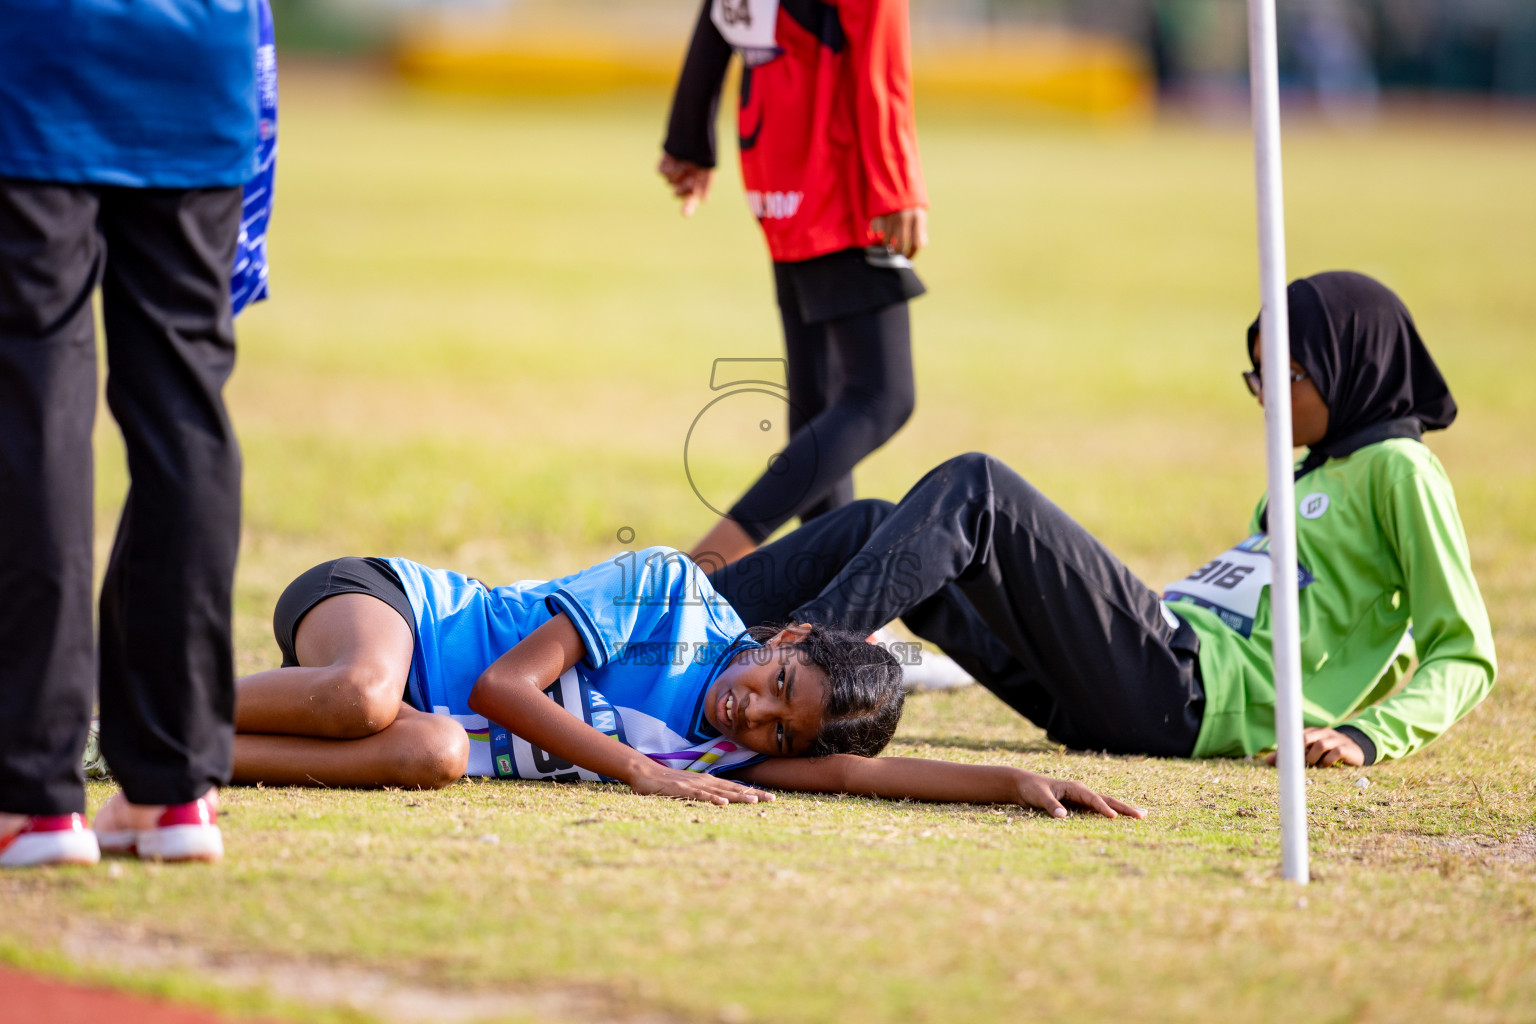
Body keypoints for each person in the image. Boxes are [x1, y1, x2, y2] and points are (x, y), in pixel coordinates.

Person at [714, 271, 1496, 766]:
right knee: (874, 524)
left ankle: (793, 649)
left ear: (1348, 366)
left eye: (1280, 373)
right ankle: (679, 625)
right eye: (1253, 371)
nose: (1260, 392)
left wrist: (1366, 735)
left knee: (976, 490)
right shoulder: (1312, 473)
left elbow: (1462, 651)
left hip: (1184, 691)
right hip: (1123, 680)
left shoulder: (1399, 470)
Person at [230, 549, 1143, 819]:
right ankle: (153, 699)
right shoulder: (666, 591)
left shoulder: (728, 753)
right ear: (782, 636)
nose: (755, 714)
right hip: (388, 610)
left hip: (430, 717)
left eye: (781, 733)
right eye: (775, 680)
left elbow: (861, 776)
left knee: (432, 751)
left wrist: (1017, 784)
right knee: (361, 699)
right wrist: (638, 770)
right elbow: (509, 687)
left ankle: (155, 749)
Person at [0, 0, 263, 867]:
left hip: (36, 56)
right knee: (185, 410)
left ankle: (31, 795)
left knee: (35, 405)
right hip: (198, 62)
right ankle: (174, 789)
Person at [660, 0, 929, 567]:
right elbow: (876, 44)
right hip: (837, 173)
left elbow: (723, 11)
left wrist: (689, 134)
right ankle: (701, 568)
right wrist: (895, 184)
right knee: (880, 396)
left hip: (781, 167)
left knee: (821, 402)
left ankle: (826, 613)